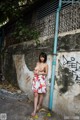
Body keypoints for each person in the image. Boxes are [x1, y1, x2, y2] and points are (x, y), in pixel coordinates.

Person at [31, 52, 48, 116]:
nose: (42, 58)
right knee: (35, 94)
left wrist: (40, 73)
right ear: (39, 57)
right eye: (41, 57)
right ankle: (35, 110)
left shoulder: (46, 65)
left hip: (41, 80)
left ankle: (39, 105)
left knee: (41, 94)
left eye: (43, 57)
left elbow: (46, 73)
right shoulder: (37, 63)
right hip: (36, 79)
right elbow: (35, 71)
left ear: (45, 58)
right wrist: (35, 71)